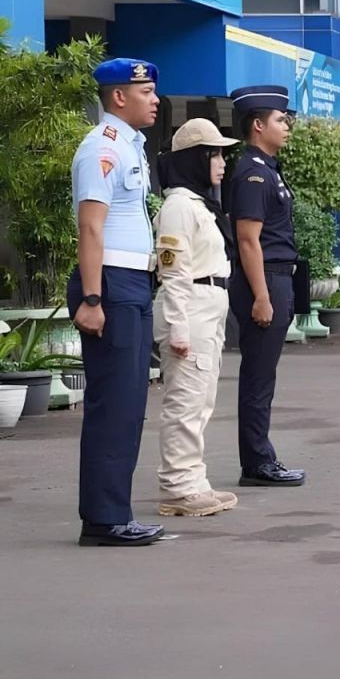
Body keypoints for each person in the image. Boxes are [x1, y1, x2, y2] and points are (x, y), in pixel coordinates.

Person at [68, 58, 164, 547]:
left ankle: (115, 513)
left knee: (130, 404)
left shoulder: (130, 147)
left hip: (131, 283)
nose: (155, 99)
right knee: (113, 406)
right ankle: (104, 520)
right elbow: (90, 226)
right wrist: (90, 297)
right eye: (146, 91)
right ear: (119, 96)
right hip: (109, 283)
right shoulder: (100, 149)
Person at [153, 118, 240, 517]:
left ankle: (193, 480)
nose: (222, 162)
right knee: (186, 400)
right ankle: (178, 486)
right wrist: (178, 327)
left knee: (201, 399)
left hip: (208, 305)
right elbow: (173, 272)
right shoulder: (177, 208)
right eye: (215, 154)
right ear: (195, 159)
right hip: (190, 306)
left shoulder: (199, 204)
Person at [227, 85, 305, 487]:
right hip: (266, 279)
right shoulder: (253, 172)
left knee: (264, 375)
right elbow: (247, 239)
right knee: (258, 376)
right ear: (258, 125)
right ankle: (257, 463)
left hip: (277, 278)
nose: (286, 126)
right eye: (279, 119)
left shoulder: (267, 168)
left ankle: (260, 457)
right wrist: (261, 295)